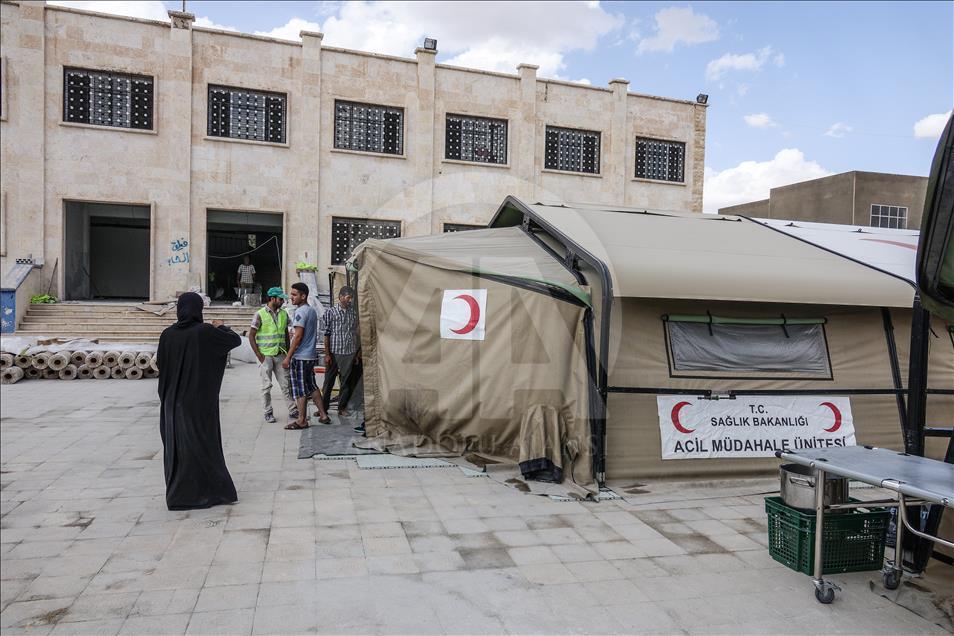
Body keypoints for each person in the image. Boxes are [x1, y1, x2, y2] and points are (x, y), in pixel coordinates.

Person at [156, 292, 241, 511]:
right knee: (203, 446)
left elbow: (162, 367)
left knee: (178, 449)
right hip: (197, 404)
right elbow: (234, 340)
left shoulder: (167, 335)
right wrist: (221, 326)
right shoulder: (204, 332)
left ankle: (179, 495)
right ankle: (209, 492)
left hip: (171, 404)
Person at [282, 282, 331, 430]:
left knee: (300, 389)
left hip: (300, 357)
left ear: (303, 296)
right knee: (311, 385)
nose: (292, 297)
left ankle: (301, 420)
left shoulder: (300, 312)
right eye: (291, 294)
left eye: (295, 294)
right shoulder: (311, 311)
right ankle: (323, 415)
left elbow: (298, 337)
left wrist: (288, 357)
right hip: (310, 356)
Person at [248, 287, 299, 425]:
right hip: (265, 356)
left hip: (280, 353)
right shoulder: (260, 314)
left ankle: (293, 409)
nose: (283, 301)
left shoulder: (283, 314)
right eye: (280, 299)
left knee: (285, 384)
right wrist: (259, 355)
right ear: (272, 299)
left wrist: (288, 354)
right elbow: (251, 335)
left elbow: (286, 334)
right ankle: (268, 412)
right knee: (266, 386)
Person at [320, 286, 363, 431]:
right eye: (347, 297)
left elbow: (356, 334)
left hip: (349, 352)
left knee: (346, 382)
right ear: (340, 297)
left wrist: (357, 353)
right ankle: (323, 408)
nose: (349, 300)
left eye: (351, 298)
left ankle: (342, 407)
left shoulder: (353, 313)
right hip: (333, 352)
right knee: (328, 382)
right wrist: (327, 354)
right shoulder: (330, 312)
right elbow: (326, 334)